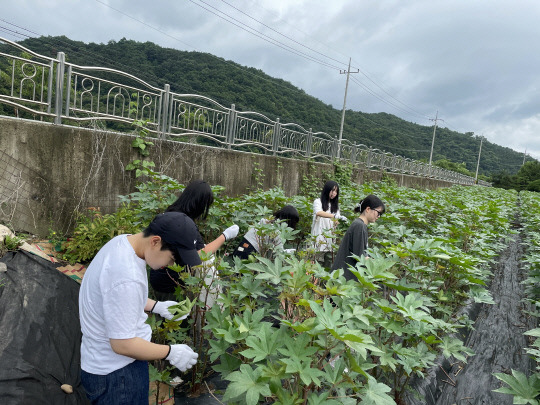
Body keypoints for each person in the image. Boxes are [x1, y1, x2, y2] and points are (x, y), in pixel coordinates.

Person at [79, 211, 202, 405]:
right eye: (171, 258)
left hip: (99, 364)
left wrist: (157, 306)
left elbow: (114, 298)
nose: (170, 265)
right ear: (155, 241)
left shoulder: (122, 243)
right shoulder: (126, 276)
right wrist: (170, 352)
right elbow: (122, 344)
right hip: (119, 376)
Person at [149, 180, 239, 299]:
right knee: (176, 316)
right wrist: (225, 236)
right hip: (172, 285)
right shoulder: (185, 223)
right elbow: (201, 254)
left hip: (157, 279)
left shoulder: (169, 215)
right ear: (200, 204)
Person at [331, 194, 385, 281]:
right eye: (378, 213)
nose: (379, 216)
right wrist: (380, 265)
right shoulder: (359, 226)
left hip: (344, 276)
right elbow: (360, 257)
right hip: (344, 277)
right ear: (368, 209)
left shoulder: (359, 224)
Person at [232, 205, 300, 259]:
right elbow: (279, 254)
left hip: (240, 249)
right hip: (248, 253)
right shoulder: (277, 230)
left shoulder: (265, 221)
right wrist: (293, 252)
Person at [311, 180, 346, 268]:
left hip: (330, 242)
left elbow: (336, 221)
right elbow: (319, 212)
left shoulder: (335, 207)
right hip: (319, 239)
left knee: (327, 267)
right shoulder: (318, 202)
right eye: (332, 190)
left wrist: (339, 221)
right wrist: (333, 216)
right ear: (327, 190)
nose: (334, 193)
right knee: (317, 266)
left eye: (336, 191)